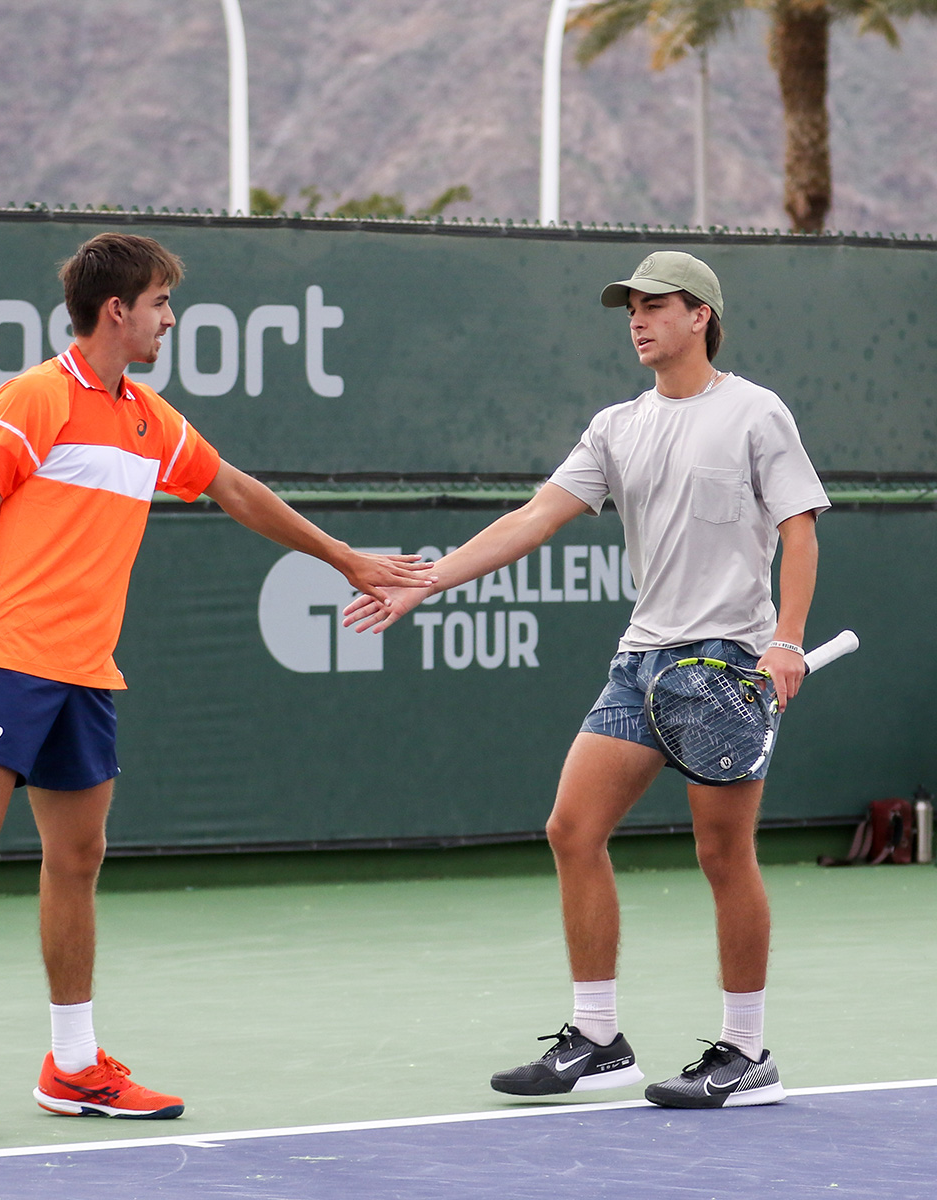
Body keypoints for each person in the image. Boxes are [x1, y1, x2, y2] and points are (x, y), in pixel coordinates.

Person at [0, 231, 433, 1135]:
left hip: (85, 672)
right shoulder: (32, 400)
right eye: (161, 303)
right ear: (116, 311)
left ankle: (75, 1064)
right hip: (3, 659)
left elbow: (235, 489)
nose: (170, 318)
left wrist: (343, 559)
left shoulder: (144, 416)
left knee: (78, 860)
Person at [344, 251, 830, 1109]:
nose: (639, 320)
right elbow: (535, 517)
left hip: (725, 662)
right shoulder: (616, 426)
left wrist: (786, 641)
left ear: (701, 317)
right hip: (640, 662)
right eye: (630, 308)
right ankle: (600, 1039)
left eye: (656, 306)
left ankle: (748, 1052)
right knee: (572, 827)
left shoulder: (757, 413)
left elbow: (799, 531)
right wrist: (430, 578)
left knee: (723, 855)